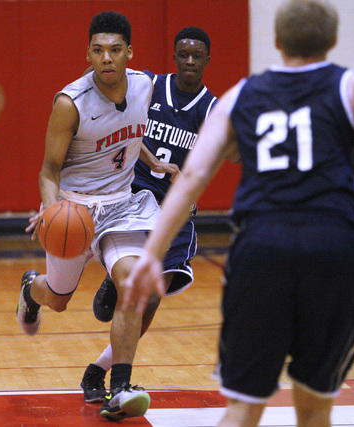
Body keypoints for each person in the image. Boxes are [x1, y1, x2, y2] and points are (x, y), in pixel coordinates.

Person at [122, 0, 354, 426]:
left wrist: (152, 254)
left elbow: (192, 176)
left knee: (243, 408)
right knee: (316, 407)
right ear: (333, 41)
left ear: (277, 41)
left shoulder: (240, 94)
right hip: (335, 248)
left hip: (260, 249)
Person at [16, 11, 178, 421]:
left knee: (132, 284)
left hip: (122, 206)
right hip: (74, 209)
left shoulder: (144, 85)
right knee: (57, 300)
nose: (107, 58)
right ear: (88, 54)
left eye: (115, 50)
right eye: (99, 50)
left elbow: (129, 132)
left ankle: (120, 387)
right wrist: (52, 207)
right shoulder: (70, 103)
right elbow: (48, 169)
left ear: (129, 53)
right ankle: (30, 290)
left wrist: (153, 163)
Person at [80, 26, 220, 404]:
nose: (190, 61)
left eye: (197, 56)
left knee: (153, 298)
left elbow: (207, 162)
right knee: (135, 289)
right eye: (183, 54)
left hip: (173, 208)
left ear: (208, 60)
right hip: (133, 195)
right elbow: (119, 121)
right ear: (174, 56)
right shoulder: (149, 85)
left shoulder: (211, 108)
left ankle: (98, 370)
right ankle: (117, 279)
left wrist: (192, 194)